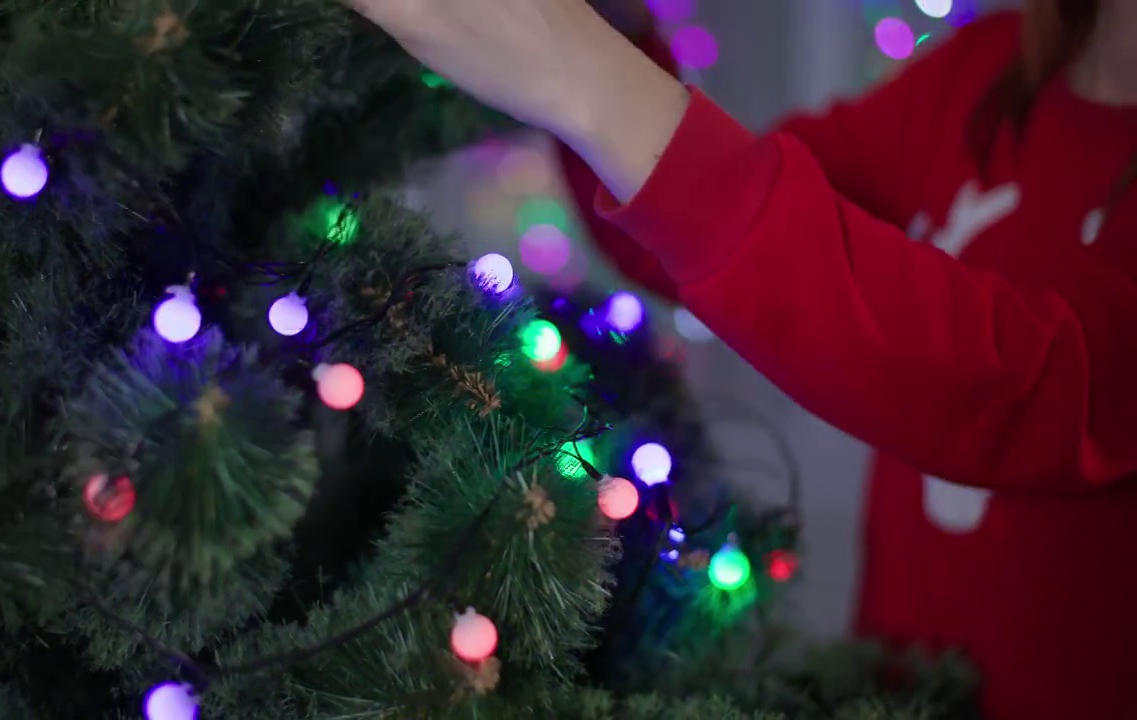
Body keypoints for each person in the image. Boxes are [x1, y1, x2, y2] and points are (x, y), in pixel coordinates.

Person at [352, 0, 1137, 717]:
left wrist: (598, 84)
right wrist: (617, 40)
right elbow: (694, 236)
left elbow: (1036, 386)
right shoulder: (988, 71)